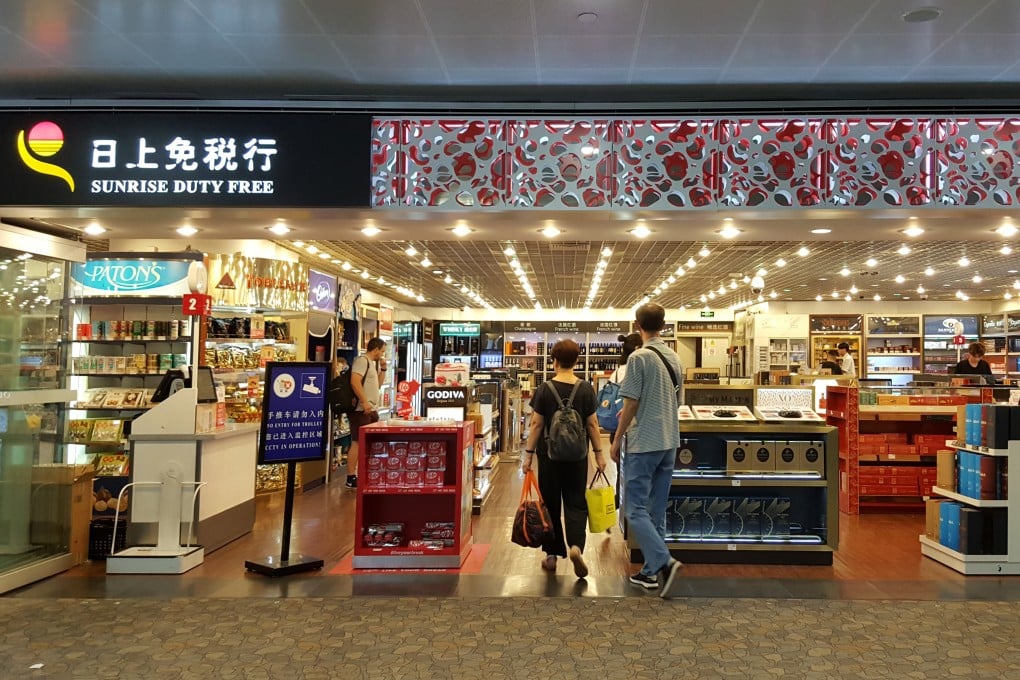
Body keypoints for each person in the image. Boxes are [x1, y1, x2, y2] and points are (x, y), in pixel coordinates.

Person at [611, 302, 683, 598]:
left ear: (637, 325)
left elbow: (630, 403)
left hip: (645, 442)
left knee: (634, 508)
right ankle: (651, 573)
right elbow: (677, 401)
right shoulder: (674, 357)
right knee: (655, 508)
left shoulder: (639, 358)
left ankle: (664, 561)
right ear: (663, 325)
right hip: (670, 441)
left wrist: (616, 439)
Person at [522, 339, 606, 579]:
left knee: (550, 503)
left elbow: (537, 424)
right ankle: (576, 547)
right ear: (577, 361)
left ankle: (551, 555)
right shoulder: (586, 389)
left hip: (549, 457)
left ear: (554, 361)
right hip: (578, 457)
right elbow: (592, 424)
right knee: (576, 503)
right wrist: (599, 454)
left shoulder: (544, 389)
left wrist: (527, 456)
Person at [346, 338, 387, 489]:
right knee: (357, 442)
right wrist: (363, 401)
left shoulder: (372, 364)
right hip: (361, 410)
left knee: (367, 442)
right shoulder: (362, 361)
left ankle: (365, 472)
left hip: (371, 410)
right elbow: (354, 381)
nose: (383, 354)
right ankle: (351, 477)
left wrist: (383, 369)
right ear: (375, 349)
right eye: (382, 351)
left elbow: (378, 385)